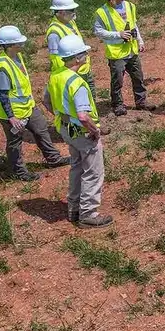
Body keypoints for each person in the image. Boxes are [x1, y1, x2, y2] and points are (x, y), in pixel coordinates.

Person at [45, 34, 112, 228]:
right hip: (81, 129)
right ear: (76, 58)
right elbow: (83, 116)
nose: (86, 56)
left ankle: (73, 208)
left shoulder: (56, 76)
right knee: (93, 170)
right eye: (83, 53)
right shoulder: (77, 83)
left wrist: (62, 115)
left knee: (76, 165)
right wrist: (95, 131)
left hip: (67, 128)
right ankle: (89, 214)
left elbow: (46, 101)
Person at [0, 26, 66, 181]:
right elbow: (3, 95)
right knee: (15, 141)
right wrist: (11, 118)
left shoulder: (16, 56)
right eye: (18, 42)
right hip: (12, 113)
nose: (22, 44)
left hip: (27, 107)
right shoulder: (3, 67)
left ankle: (53, 158)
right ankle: (17, 171)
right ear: (10, 45)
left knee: (41, 128)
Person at [93, 0, 150, 116]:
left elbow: (134, 24)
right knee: (117, 80)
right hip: (117, 53)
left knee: (138, 77)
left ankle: (141, 102)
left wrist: (140, 41)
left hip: (131, 49)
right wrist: (118, 35)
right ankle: (117, 104)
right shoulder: (102, 12)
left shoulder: (130, 6)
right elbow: (98, 32)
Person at [46, 0, 93, 88]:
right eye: (71, 10)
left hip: (83, 69)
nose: (74, 13)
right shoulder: (54, 33)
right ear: (62, 12)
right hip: (74, 74)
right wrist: (70, 75)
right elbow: (56, 60)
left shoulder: (70, 22)